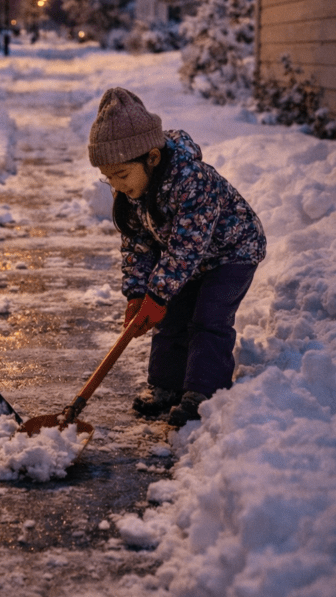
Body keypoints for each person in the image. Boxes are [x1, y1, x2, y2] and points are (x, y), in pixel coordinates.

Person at [88, 87, 266, 427]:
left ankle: (204, 393)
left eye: (121, 175)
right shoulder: (134, 191)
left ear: (152, 157)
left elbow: (187, 247)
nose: (116, 184)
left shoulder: (193, 181)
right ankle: (166, 387)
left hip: (233, 253)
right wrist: (138, 294)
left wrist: (158, 293)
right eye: (108, 176)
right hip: (188, 262)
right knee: (169, 318)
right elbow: (137, 245)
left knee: (208, 319)